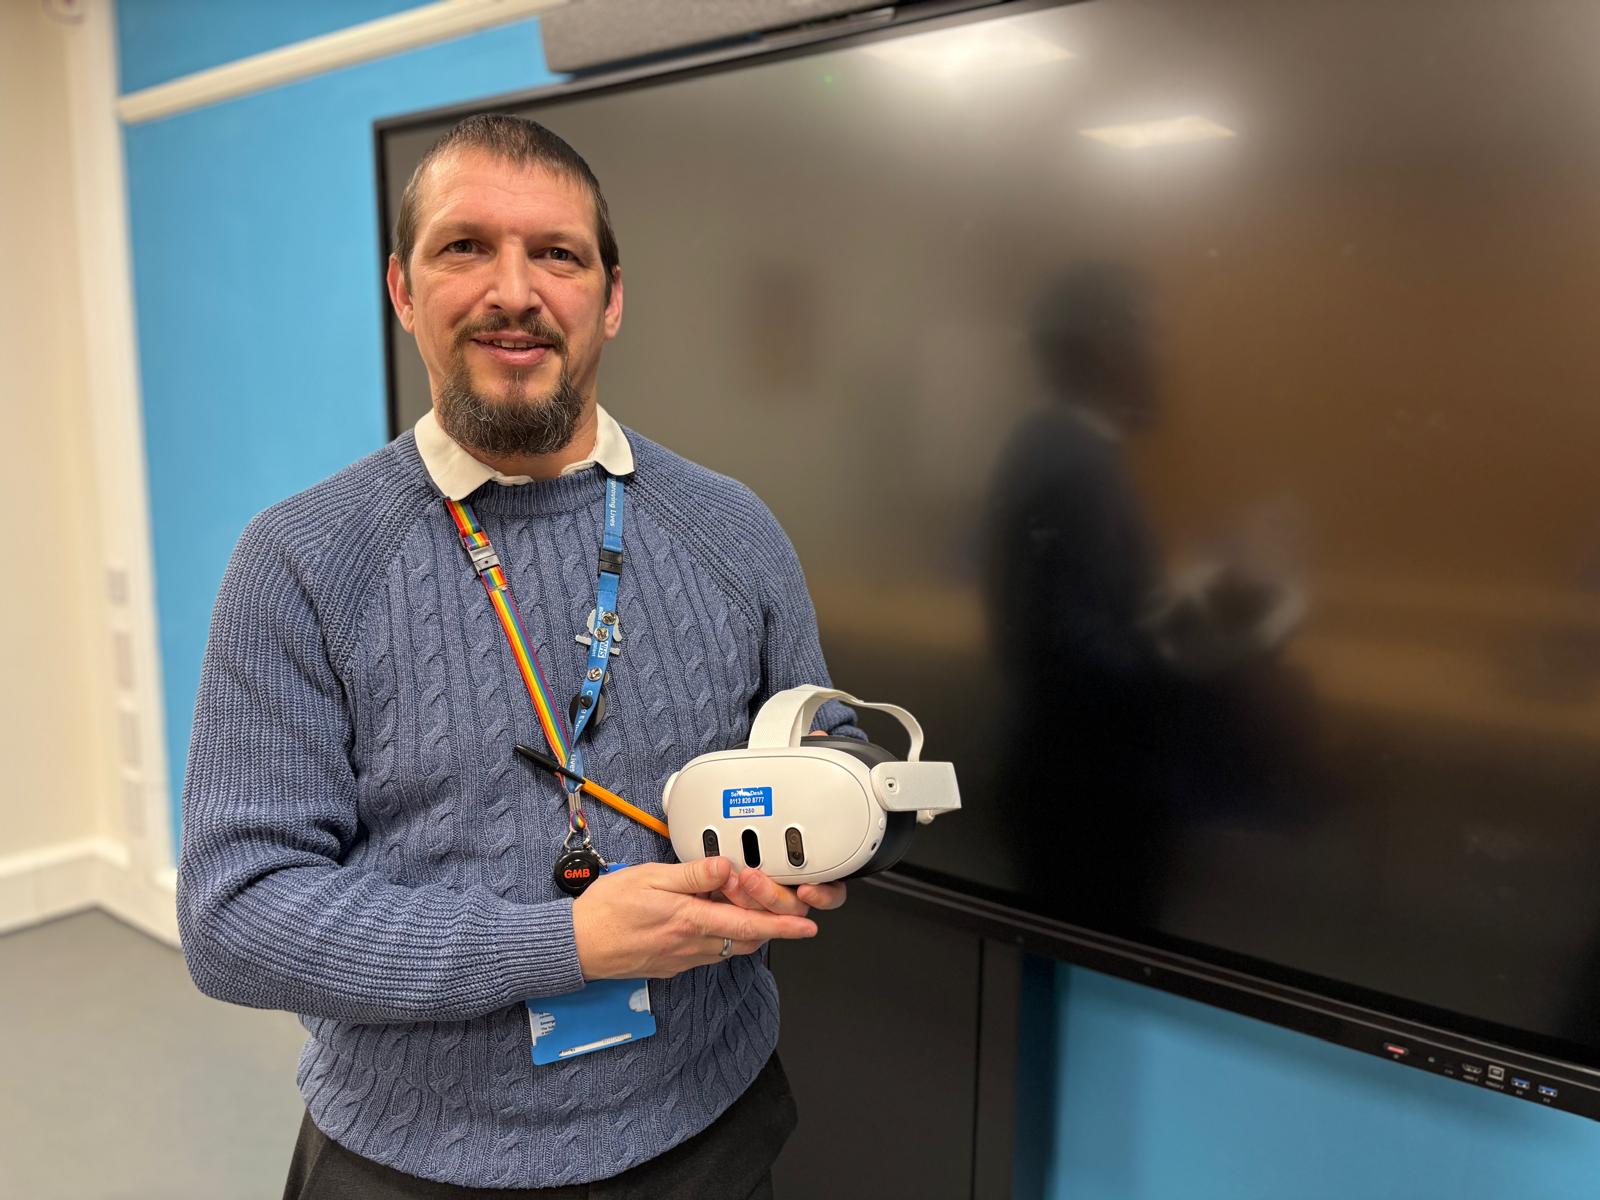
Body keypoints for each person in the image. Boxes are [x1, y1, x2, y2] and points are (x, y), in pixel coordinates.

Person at [177, 113, 855, 1199]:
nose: (514, 290)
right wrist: (566, 943)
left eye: (557, 253)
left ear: (611, 296)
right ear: (403, 290)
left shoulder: (734, 530)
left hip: (712, 1127)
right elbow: (237, 921)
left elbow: (816, 742)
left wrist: (847, 809)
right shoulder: (297, 561)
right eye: (465, 248)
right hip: (412, 1163)